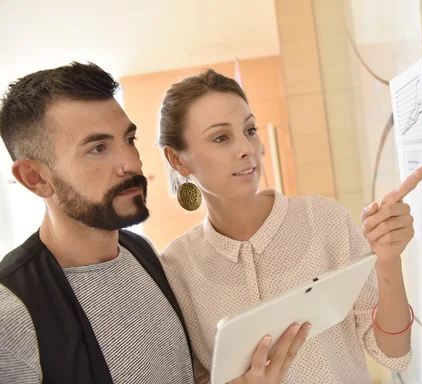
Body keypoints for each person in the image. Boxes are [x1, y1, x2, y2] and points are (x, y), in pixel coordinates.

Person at [0, 62, 308, 384]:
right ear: (35, 178)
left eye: (129, 139)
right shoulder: (11, 314)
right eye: (98, 148)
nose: (132, 163)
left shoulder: (143, 254)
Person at [159, 69, 422, 383]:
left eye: (250, 130)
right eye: (221, 137)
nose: (247, 148)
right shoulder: (177, 267)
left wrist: (388, 260)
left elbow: (393, 353)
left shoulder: (324, 219)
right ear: (178, 160)